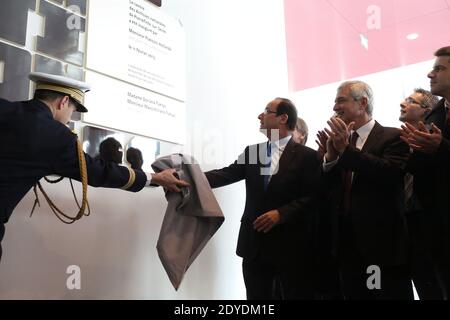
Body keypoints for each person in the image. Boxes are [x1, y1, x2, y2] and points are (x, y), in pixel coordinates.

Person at [0, 72, 189, 261]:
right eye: (72, 111)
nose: (68, 118)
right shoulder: (56, 136)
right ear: (63, 101)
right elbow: (98, 172)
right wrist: (155, 178)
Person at [205, 98, 320, 299]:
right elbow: (226, 174)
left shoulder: (308, 156)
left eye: (266, 111)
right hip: (254, 247)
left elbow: (314, 198)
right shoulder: (253, 152)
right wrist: (187, 176)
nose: (260, 116)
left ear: (283, 118)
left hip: (290, 248)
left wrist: (281, 214)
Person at [320, 80, 413, 299]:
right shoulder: (339, 142)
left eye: (340, 101)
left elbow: (388, 174)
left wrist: (346, 150)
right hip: (346, 246)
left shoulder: (393, 137)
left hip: (380, 248)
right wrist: (331, 158)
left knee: (382, 295)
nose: (335, 108)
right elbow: (327, 191)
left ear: (362, 103)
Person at [401, 46, 450, 299]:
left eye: (439, 69)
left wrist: (442, 147)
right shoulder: (435, 115)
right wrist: (412, 153)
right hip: (437, 228)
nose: (431, 75)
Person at [398, 88, 442, 299]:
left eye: (410, 101)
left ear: (426, 110)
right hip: (407, 225)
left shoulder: (438, 140)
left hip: (435, 222)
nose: (403, 103)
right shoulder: (396, 141)